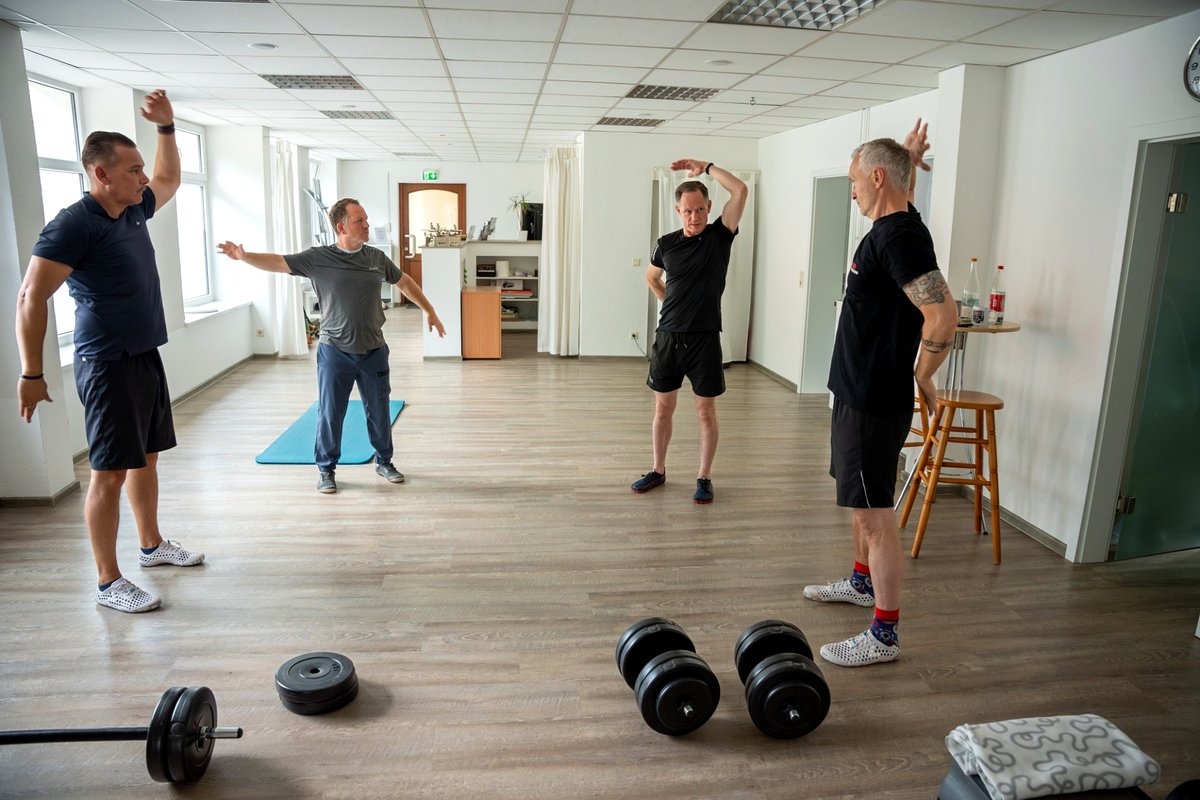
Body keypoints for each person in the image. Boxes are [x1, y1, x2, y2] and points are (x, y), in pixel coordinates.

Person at [16, 90, 204, 614]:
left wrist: (166, 128)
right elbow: (31, 296)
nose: (143, 178)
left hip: (143, 354)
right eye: (133, 169)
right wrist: (31, 373)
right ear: (101, 173)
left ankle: (151, 545)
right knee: (109, 472)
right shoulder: (74, 224)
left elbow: (169, 179)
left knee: (146, 456)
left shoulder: (131, 209)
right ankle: (107, 581)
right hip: (107, 362)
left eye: (140, 168)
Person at [803, 119, 958, 666]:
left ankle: (884, 635)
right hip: (855, 391)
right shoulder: (898, 220)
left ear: (875, 178)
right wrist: (907, 157)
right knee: (858, 501)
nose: (851, 190)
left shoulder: (898, 237)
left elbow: (943, 314)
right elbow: (897, 184)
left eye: (853, 180)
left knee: (875, 515)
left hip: (874, 399)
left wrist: (925, 375)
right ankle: (861, 582)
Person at [218, 198, 445, 494]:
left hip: (374, 350)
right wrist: (245, 256)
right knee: (330, 413)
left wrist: (429, 309)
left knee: (379, 410)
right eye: (359, 221)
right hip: (335, 352)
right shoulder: (317, 258)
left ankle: (385, 462)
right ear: (341, 227)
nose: (366, 225)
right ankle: (326, 469)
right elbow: (278, 262)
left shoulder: (376, 258)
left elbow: (403, 282)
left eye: (366, 219)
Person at [632, 160, 748, 504]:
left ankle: (704, 476)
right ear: (678, 211)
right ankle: (658, 470)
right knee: (662, 410)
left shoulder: (720, 236)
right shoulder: (666, 244)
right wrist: (670, 302)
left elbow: (740, 190)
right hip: (668, 338)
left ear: (709, 207)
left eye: (699, 210)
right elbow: (651, 277)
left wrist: (707, 167)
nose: (694, 217)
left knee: (705, 413)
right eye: (687, 211)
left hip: (705, 340)